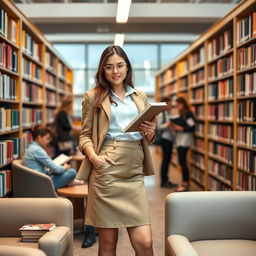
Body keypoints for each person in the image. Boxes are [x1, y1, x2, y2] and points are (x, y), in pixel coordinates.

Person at [77, 45, 157, 256]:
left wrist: (150, 132)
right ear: (102, 70)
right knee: (108, 244)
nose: (115, 71)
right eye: (109, 67)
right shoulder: (93, 97)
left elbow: (147, 137)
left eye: (120, 65)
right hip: (107, 172)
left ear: (127, 67)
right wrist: (94, 157)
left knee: (145, 243)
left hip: (134, 173)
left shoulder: (139, 96)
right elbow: (84, 135)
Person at [23, 125, 80, 189]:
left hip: (39, 180)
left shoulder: (32, 148)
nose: (49, 141)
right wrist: (65, 167)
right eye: (47, 138)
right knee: (72, 172)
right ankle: (68, 182)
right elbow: (56, 169)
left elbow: (46, 169)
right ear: (39, 138)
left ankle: (68, 182)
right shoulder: (37, 150)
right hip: (42, 184)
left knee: (64, 173)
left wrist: (58, 168)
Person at [170, 97, 195, 192]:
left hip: (185, 140)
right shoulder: (181, 114)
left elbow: (192, 128)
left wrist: (181, 128)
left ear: (183, 104)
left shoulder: (188, 114)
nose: (177, 107)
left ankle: (185, 183)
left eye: (178, 105)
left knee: (182, 161)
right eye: (176, 106)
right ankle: (185, 182)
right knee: (181, 161)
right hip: (180, 140)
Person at [157, 97, 176, 188]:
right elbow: (159, 127)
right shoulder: (161, 114)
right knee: (165, 160)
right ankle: (163, 181)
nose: (170, 105)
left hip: (170, 139)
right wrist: (168, 125)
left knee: (168, 160)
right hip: (165, 139)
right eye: (168, 103)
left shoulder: (169, 113)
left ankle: (166, 179)